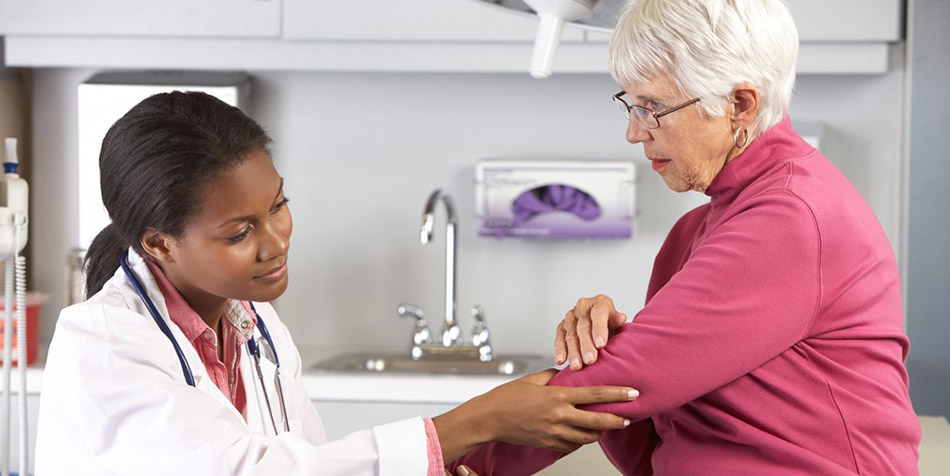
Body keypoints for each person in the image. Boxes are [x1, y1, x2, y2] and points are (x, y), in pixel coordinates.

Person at [33, 91, 640, 475]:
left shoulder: (257, 326)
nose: (276, 242)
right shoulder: (104, 346)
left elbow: (310, 461)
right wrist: (476, 423)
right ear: (159, 243)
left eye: (278, 206)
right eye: (239, 232)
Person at [449, 0, 921, 474]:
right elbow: (642, 417)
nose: (634, 132)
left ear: (740, 105)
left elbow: (618, 386)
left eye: (653, 107)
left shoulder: (791, 216)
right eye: (630, 104)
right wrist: (610, 348)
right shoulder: (696, 230)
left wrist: (445, 455)